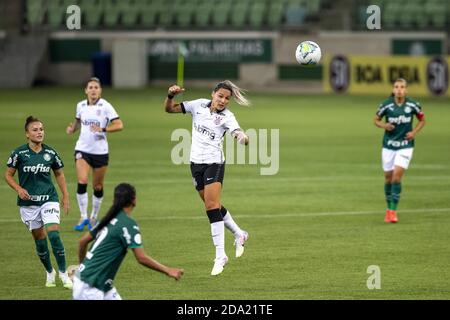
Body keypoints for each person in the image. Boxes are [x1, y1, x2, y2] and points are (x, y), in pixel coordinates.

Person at [165, 80, 250, 276]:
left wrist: (242, 137)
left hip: (215, 163)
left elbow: (237, 132)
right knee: (214, 205)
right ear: (213, 94)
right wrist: (170, 96)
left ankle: (220, 255)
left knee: (211, 206)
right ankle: (240, 233)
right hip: (195, 164)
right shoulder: (198, 105)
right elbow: (169, 110)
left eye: (227, 99)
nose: (222, 101)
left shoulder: (228, 117)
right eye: (220, 96)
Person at [72, 183, 184, 300]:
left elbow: (82, 242)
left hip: (98, 284)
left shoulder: (107, 219)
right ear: (133, 200)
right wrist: (168, 270)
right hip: (91, 287)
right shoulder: (128, 224)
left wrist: (82, 266)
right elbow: (141, 258)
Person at [4, 116, 73, 289]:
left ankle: (64, 274)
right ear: (27, 134)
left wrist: (65, 196)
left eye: (41, 129)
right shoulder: (19, 153)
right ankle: (50, 271)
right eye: (35, 130)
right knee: (40, 242)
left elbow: (59, 174)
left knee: (54, 235)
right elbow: (8, 175)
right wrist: (19, 189)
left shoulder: (51, 153)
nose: (39, 132)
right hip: (28, 204)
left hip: (49, 199)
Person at [66, 77, 123, 231]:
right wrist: (72, 128)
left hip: (100, 151)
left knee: (97, 186)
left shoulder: (106, 106)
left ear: (100, 90)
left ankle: (93, 217)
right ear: (86, 90)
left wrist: (103, 129)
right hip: (82, 149)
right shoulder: (81, 105)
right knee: (82, 181)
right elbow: (78, 121)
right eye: (90, 87)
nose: (93, 90)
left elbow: (119, 124)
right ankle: (83, 216)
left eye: (96, 87)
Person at [374, 78, 425, 223]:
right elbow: (376, 120)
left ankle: (392, 211)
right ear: (393, 89)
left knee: (396, 177)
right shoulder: (386, 105)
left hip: (405, 146)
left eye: (402, 87)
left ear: (406, 90)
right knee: (388, 178)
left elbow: (422, 120)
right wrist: (384, 126)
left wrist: (413, 132)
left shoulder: (413, 104)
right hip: (388, 146)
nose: (399, 89)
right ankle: (388, 208)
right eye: (396, 87)